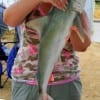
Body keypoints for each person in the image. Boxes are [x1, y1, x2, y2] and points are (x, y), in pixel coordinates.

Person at [3, 0, 91, 100]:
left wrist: (73, 30)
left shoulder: (77, 9)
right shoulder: (29, 5)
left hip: (66, 81)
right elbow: (8, 19)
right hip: (27, 80)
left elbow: (82, 46)